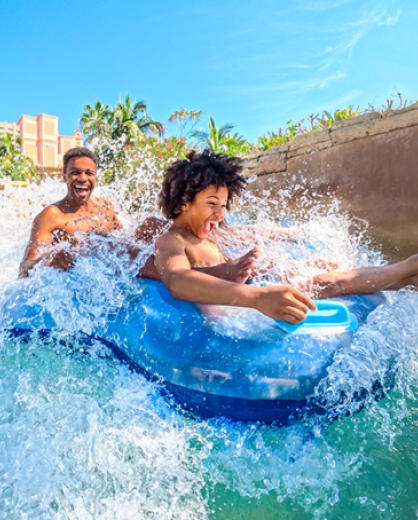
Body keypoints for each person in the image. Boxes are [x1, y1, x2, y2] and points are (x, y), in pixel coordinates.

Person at [154, 150, 418, 324]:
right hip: (241, 299)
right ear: (184, 201)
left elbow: (251, 232)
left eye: (224, 205)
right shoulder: (172, 241)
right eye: (212, 204)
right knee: (320, 282)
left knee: (325, 267)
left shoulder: (211, 235)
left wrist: (291, 234)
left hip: (253, 284)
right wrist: (257, 297)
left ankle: (405, 279)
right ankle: (407, 268)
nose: (220, 214)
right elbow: (177, 280)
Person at [20, 147, 258, 283]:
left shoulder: (104, 206)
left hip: (116, 258)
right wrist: (49, 260)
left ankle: (221, 258)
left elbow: (126, 240)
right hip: (88, 266)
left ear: (95, 177)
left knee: (153, 224)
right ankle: (204, 275)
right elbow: (25, 269)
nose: (82, 178)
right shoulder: (51, 215)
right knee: (97, 241)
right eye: (75, 173)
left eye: (88, 173)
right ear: (64, 176)